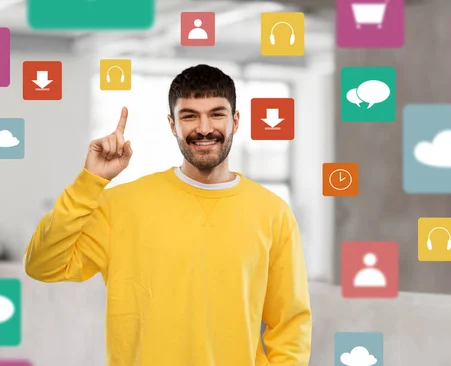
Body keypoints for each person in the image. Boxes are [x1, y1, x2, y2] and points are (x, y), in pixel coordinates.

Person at [24, 64, 312, 365]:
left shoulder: (272, 213)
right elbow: (42, 264)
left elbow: (290, 325)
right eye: (189, 116)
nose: (203, 128)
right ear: (172, 125)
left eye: (216, 114)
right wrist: (89, 182)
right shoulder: (121, 204)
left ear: (235, 121)